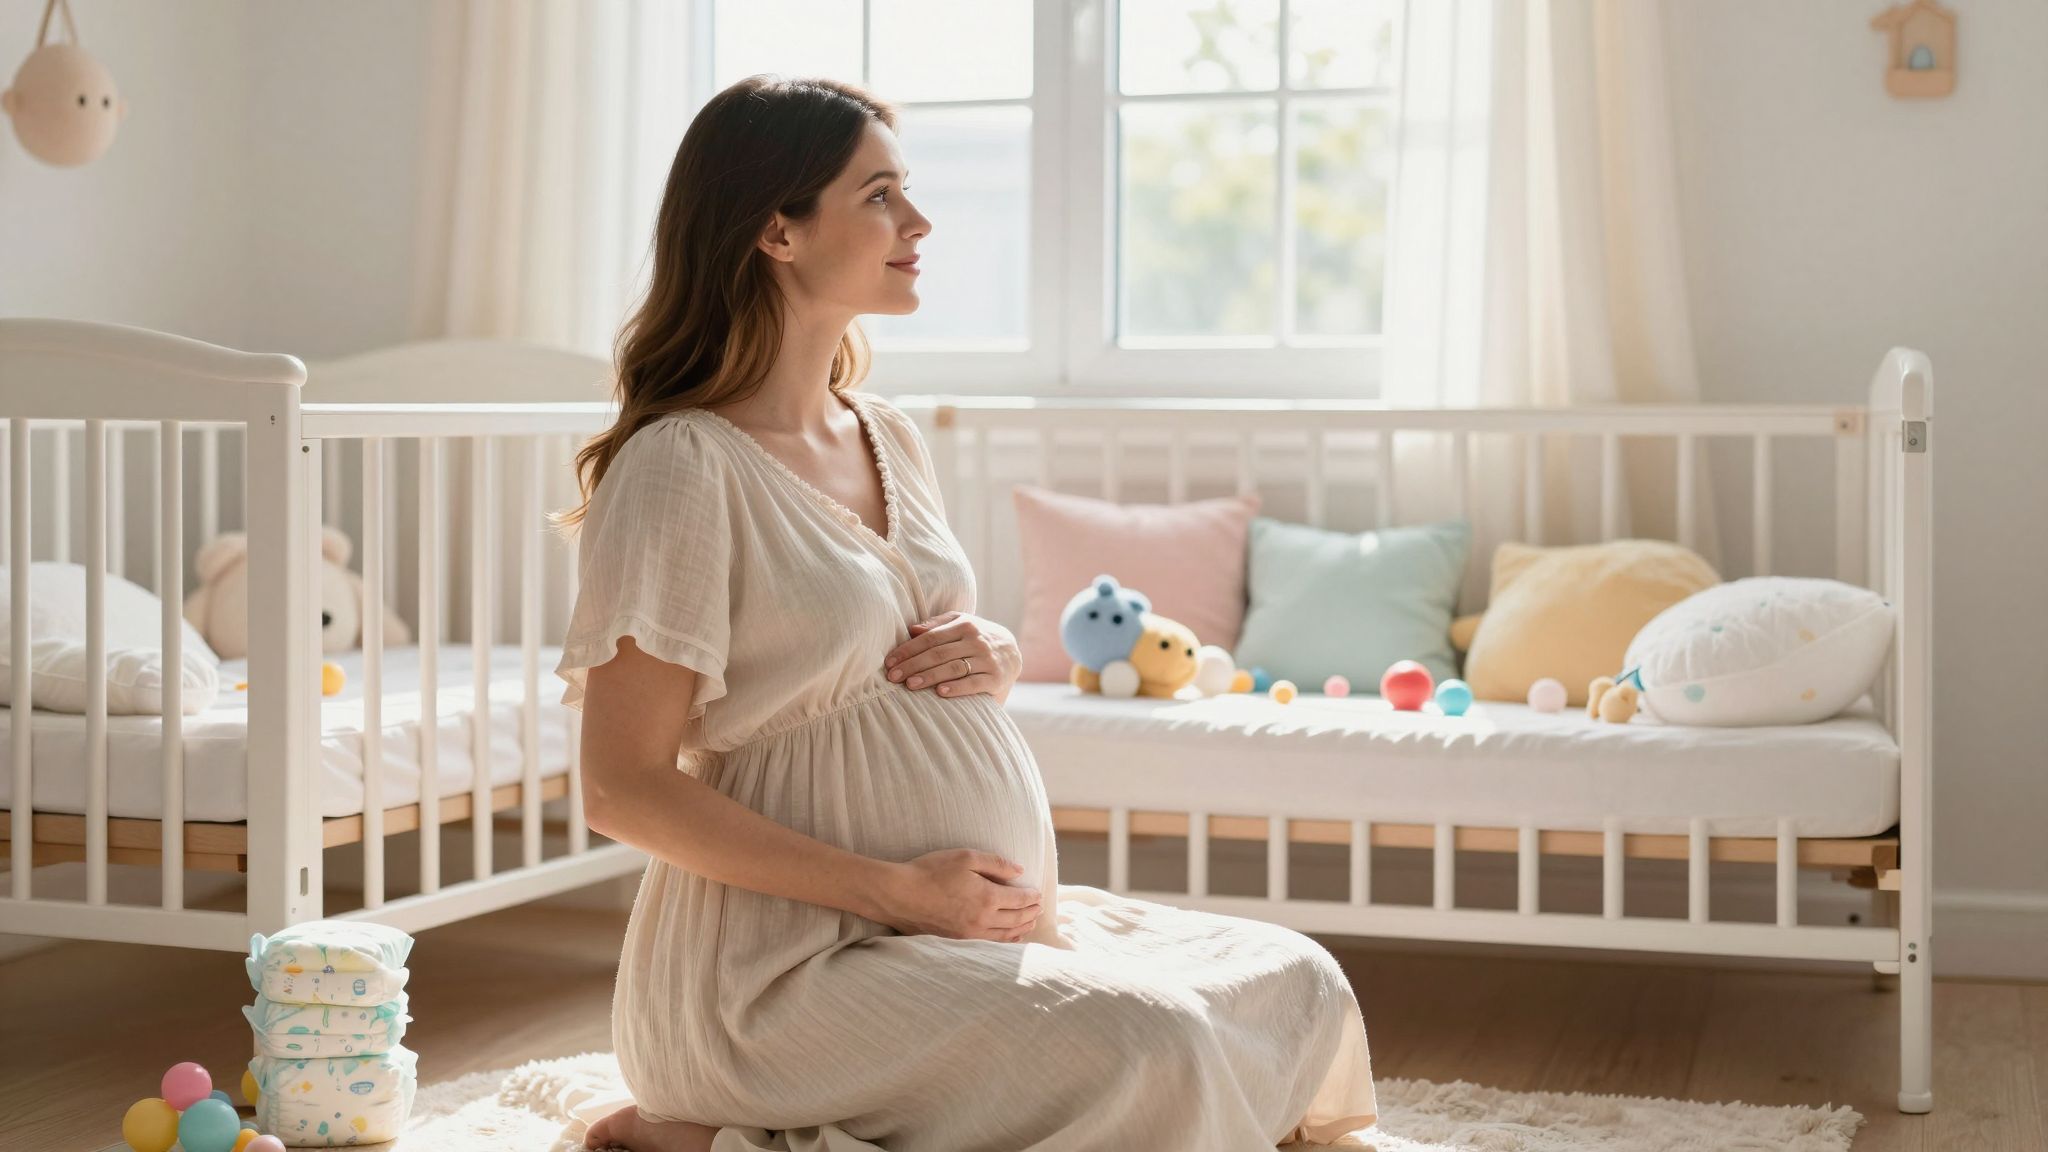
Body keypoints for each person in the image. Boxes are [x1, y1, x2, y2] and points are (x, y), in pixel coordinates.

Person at [552, 74, 1377, 1152]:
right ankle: (704, 1131)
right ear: (776, 231)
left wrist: (984, 647)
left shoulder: (886, 434)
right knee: (1155, 1046)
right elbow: (622, 788)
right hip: (782, 970)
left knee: (1296, 985)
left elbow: (880, 628)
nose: (918, 222)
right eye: (880, 194)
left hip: (964, 933)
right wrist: (894, 890)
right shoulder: (680, 470)